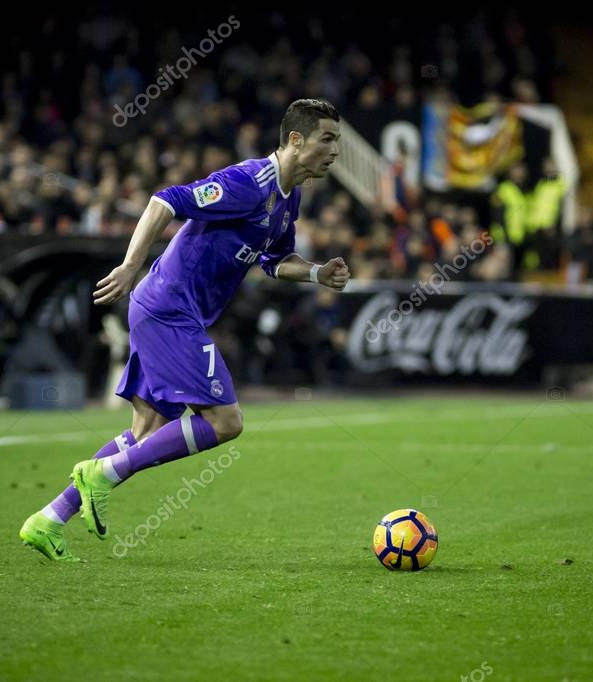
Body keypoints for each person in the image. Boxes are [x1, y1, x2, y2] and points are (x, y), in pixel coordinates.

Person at [19, 99, 351, 561]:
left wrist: (317, 274)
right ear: (296, 140)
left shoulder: (288, 198)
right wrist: (131, 265)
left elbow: (274, 261)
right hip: (167, 307)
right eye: (328, 139)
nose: (336, 150)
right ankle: (102, 476)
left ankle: (49, 519)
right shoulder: (248, 183)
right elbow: (164, 201)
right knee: (226, 421)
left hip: (173, 311)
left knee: (147, 430)